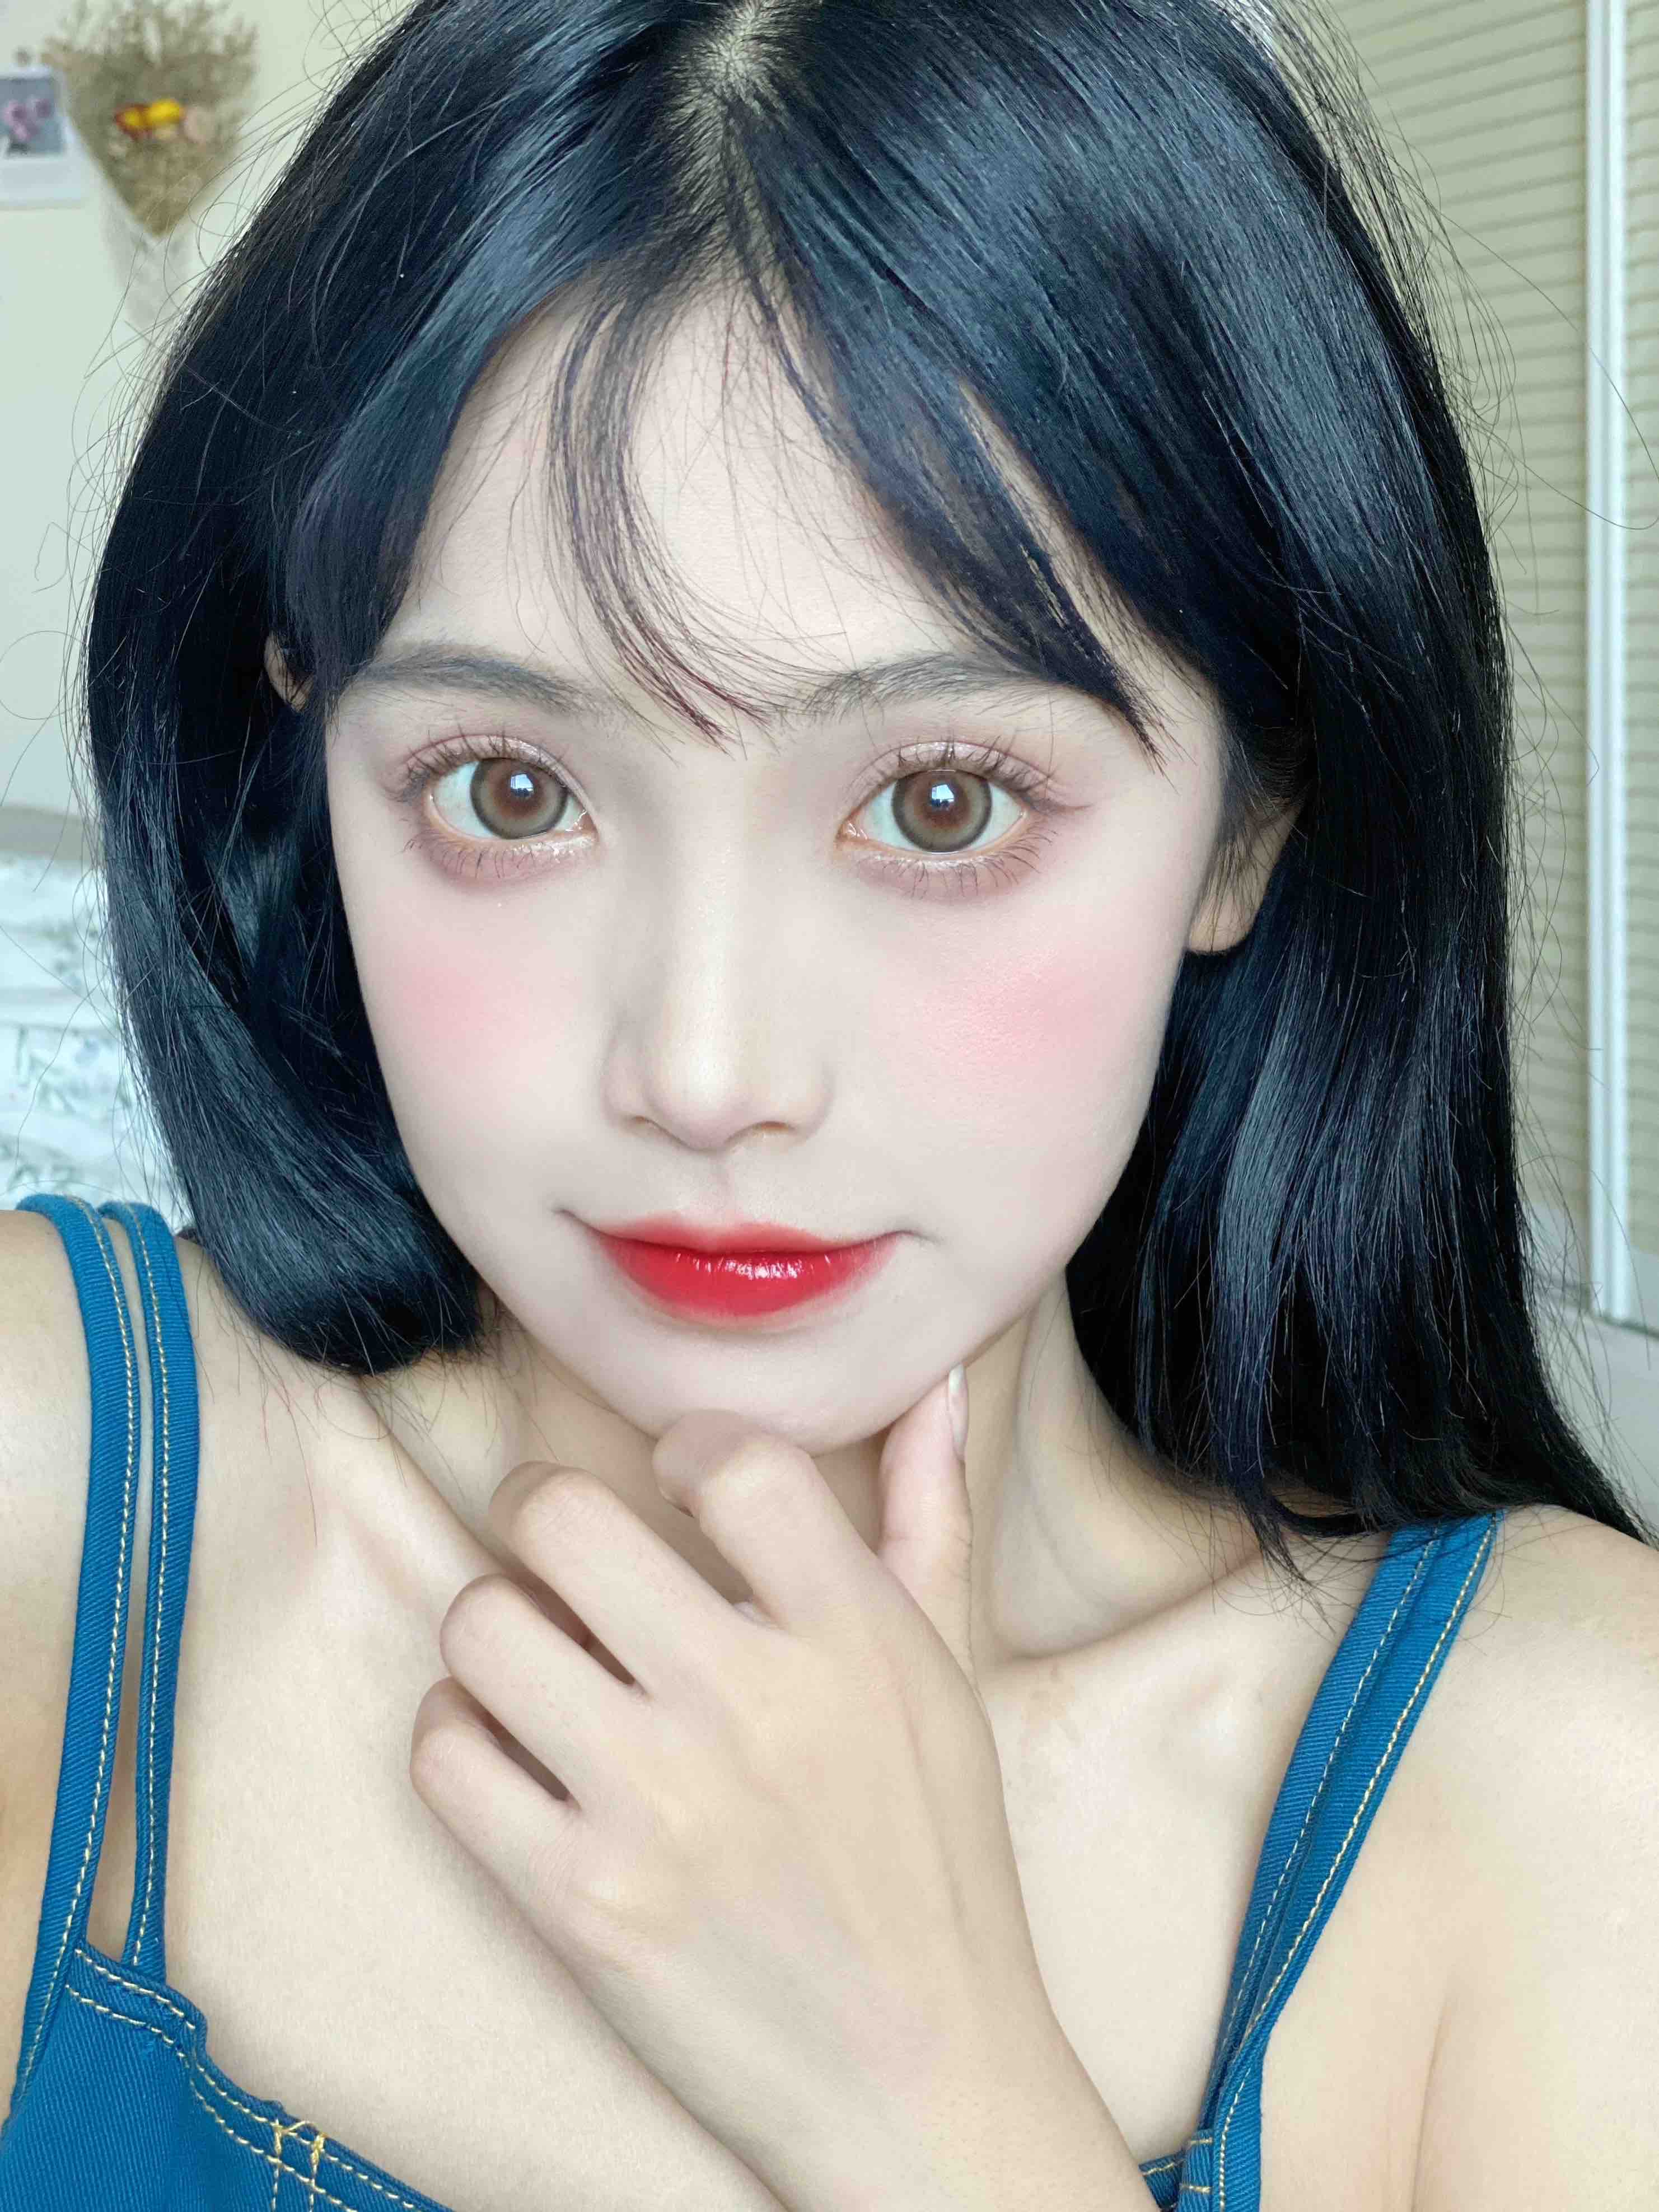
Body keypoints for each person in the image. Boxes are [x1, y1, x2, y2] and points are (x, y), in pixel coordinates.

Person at [3, 0, 1657, 2205]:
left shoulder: (1566, 1786)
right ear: (307, 752)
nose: (706, 1072)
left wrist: (936, 2097)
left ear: (1251, 819)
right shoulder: (55, 1502)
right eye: (508, 790)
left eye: (942, 802)